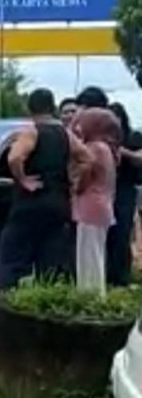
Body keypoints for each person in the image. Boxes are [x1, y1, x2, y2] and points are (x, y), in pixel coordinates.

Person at [0, 89, 92, 290]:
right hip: (58, 203)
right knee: (51, 262)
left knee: (11, 257)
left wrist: (23, 179)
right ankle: (46, 307)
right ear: (54, 107)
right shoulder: (66, 134)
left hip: (30, 203)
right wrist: (75, 181)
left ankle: (8, 303)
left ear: (29, 108)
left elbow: (14, 157)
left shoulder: (32, 131)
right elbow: (87, 159)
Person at [71, 108, 121, 294]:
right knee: (96, 254)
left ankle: (88, 294)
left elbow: (85, 170)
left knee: (87, 256)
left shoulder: (94, 147)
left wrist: (77, 186)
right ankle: (96, 294)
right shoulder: (107, 148)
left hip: (90, 206)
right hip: (103, 206)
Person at [108, 103, 142, 286]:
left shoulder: (132, 137)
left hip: (124, 190)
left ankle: (121, 277)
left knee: (122, 234)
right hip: (105, 191)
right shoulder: (102, 139)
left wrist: (122, 152)